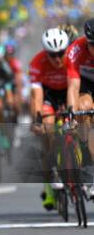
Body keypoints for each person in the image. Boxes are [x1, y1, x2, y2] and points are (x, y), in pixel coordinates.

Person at [29, 28, 70, 209]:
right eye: (53, 55)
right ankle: (52, 172)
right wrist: (37, 119)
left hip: (69, 93)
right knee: (48, 127)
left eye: (61, 53)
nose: (58, 58)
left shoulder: (73, 59)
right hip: (49, 96)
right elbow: (36, 96)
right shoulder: (37, 62)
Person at [64, 19, 94, 197]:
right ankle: (87, 158)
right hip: (86, 86)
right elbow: (73, 87)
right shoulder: (75, 50)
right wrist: (72, 117)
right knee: (84, 107)